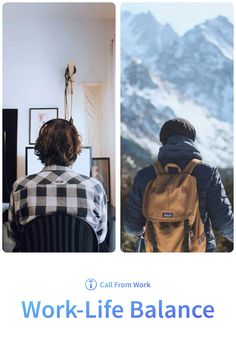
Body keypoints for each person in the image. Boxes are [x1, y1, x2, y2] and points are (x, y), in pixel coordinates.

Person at [124, 118, 233, 252]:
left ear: (163, 140)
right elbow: (224, 223)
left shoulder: (145, 175)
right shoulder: (207, 173)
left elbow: (131, 228)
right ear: (191, 141)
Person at [8, 118, 107, 246]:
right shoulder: (95, 187)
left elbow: (14, 235)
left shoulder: (20, 186)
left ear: (40, 147)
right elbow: (99, 237)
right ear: (75, 148)